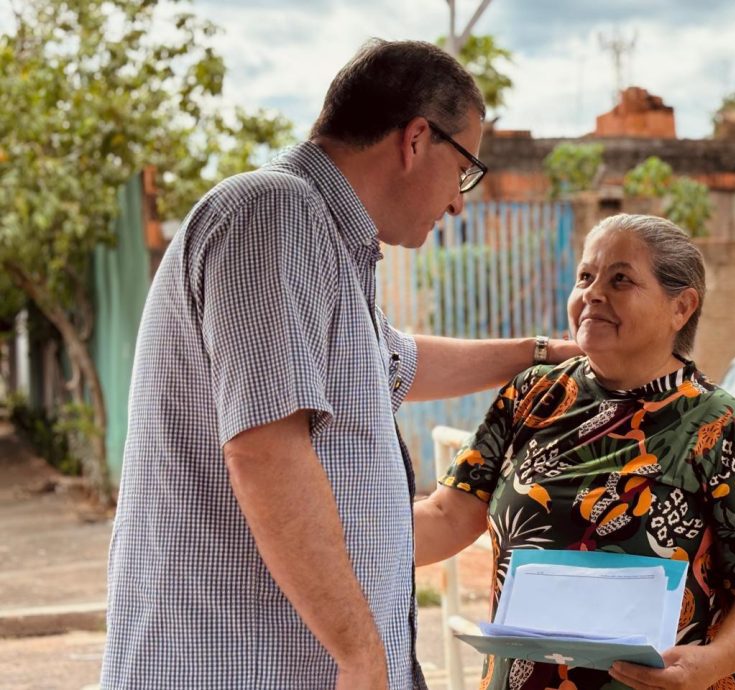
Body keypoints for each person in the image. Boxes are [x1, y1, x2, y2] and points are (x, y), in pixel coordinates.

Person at [101, 39, 579, 690]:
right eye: (464, 169)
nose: (460, 202)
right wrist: (358, 653)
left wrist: (544, 354)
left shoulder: (325, 241)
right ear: (415, 141)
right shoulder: (277, 215)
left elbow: (399, 364)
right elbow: (266, 452)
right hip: (247, 664)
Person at [414, 214, 735, 690]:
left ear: (681, 307)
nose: (593, 293)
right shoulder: (531, 397)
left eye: (620, 279)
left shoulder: (723, 427)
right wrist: (328, 542)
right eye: (585, 276)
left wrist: (712, 662)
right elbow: (446, 516)